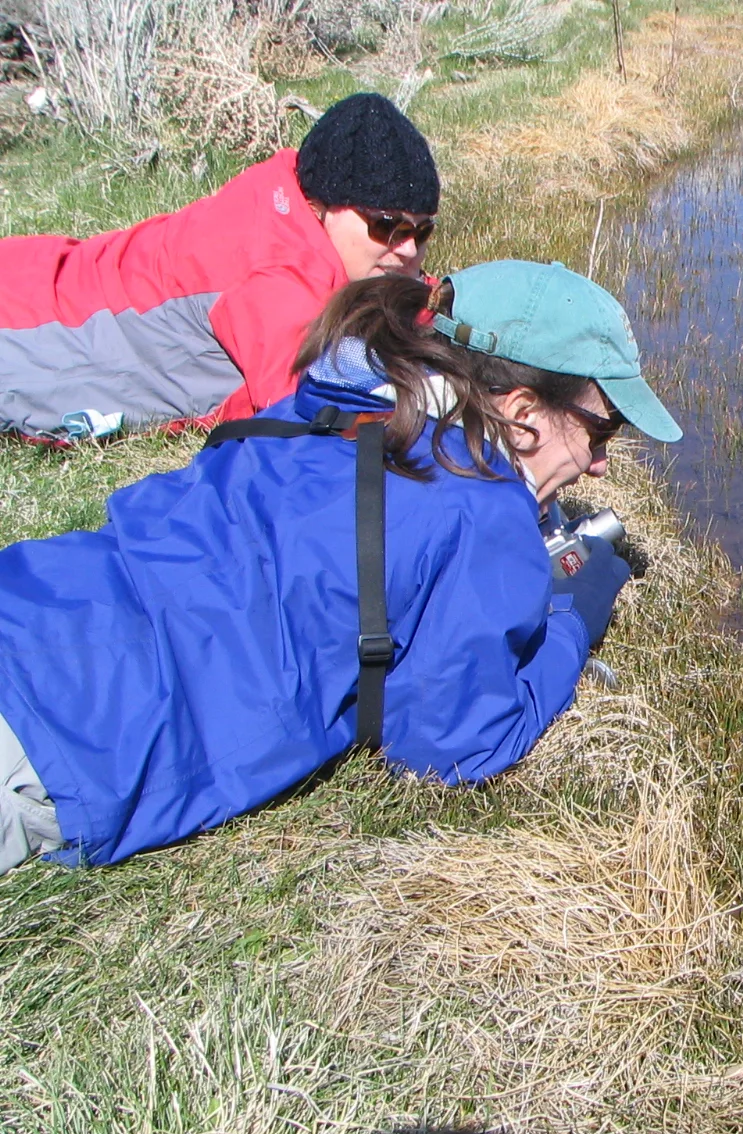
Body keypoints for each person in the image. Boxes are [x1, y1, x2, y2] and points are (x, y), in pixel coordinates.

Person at [0, 260, 684, 872]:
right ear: (523, 409)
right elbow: (452, 746)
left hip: (37, 598)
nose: (599, 462)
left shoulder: (337, 401)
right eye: (602, 430)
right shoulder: (480, 509)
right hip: (66, 737)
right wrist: (574, 618)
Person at [0, 92, 439, 441]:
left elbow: (398, 312)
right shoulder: (277, 274)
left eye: (420, 233)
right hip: (23, 328)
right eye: (387, 227)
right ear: (323, 205)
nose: (406, 250)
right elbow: (317, 409)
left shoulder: (289, 204)